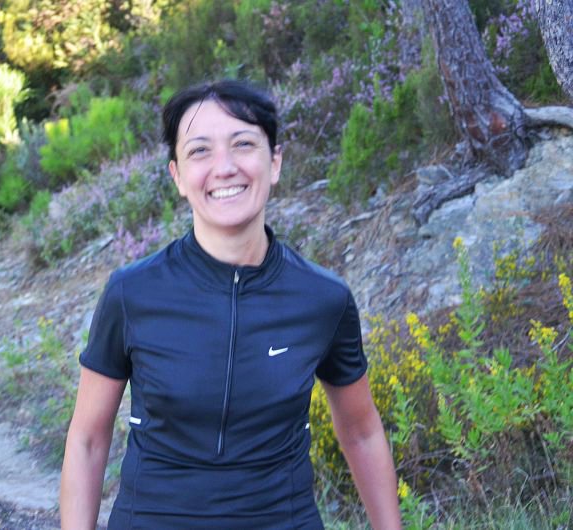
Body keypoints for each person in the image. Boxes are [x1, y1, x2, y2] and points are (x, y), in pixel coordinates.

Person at [60, 80, 401, 529]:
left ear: (274, 162)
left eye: (243, 144)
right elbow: (87, 439)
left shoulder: (322, 299)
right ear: (178, 176)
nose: (224, 167)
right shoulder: (133, 293)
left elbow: (362, 432)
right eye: (200, 151)